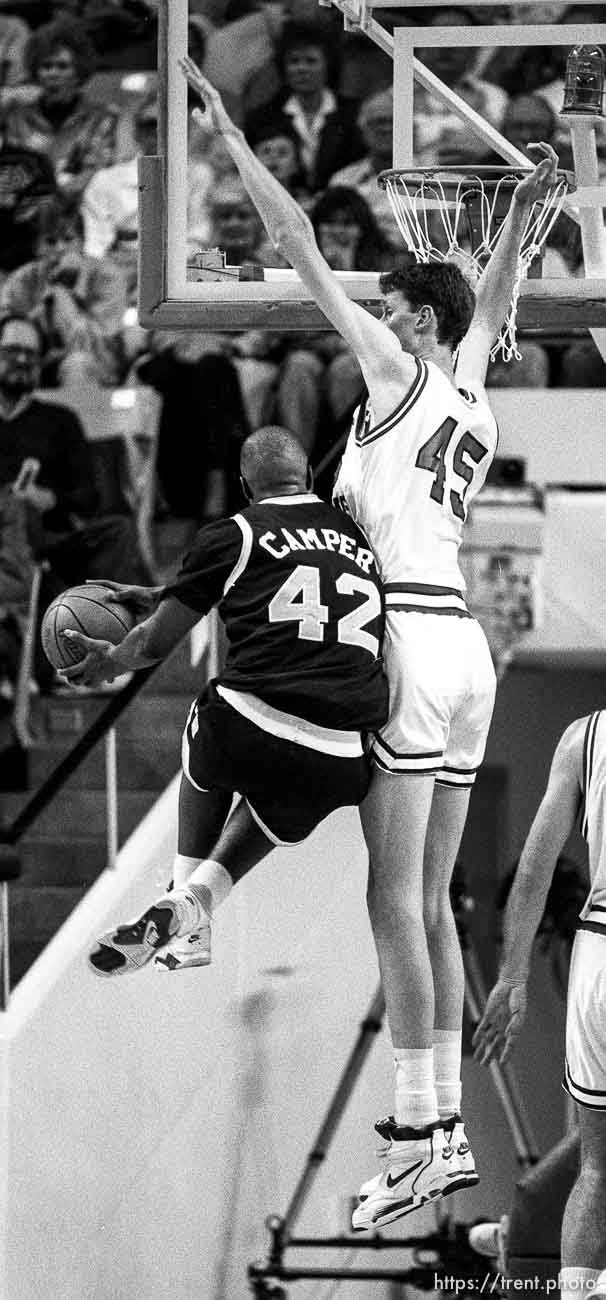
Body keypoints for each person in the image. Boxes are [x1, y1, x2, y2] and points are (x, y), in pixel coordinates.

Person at [175, 56, 560, 1232]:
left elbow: (293, 237)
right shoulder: (477, 384)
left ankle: (415, 1134)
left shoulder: (398, 370)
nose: (374, 317)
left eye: (393, 306)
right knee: (433, 902)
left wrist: (229, 134)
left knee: (392, 901)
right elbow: (496, 297)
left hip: (406, 644)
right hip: (472, 657)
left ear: (416, 322)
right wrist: (528, 208)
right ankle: (440, 1135)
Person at [58, 426, 389, 973]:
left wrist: (107, 662)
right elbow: (299, 580)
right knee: (268, 813)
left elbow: (152, 643)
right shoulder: (357, 536)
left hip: (255, 723)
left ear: (243, 485)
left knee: (207, 722)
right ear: (308, 476)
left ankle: (187, 920)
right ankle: (189, 907)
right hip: (344, 757)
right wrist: (174, 593)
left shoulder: (234, 532)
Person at [473, 713, 606, 1300]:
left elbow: (535, 865)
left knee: (596, 1165)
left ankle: (567, 1282)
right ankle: (517, 1233)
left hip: (599, 948)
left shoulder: (584, 736)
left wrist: (512, 976)